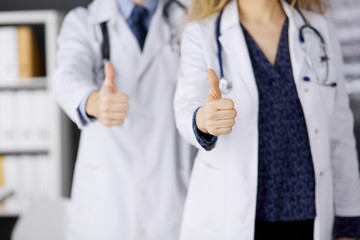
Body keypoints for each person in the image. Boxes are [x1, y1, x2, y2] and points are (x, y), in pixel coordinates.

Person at [174, 0, 360, 239]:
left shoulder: (320, 31)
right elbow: (185, 107)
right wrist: (204, 120)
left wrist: (348, 223)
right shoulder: (202, 33)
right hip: (235, 215)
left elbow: (339, 134)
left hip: (308, 215)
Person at [52, 0, 196, 239]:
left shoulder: (187, 19)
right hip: (105, 210)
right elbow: (67, 75)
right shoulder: (84, 22)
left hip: (172, 200)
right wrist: (94, 102)